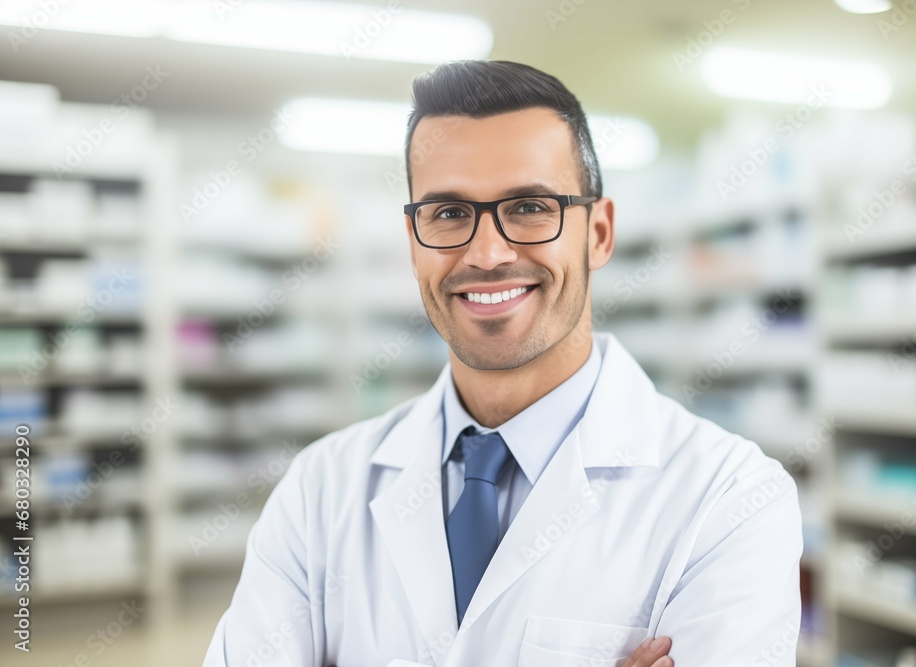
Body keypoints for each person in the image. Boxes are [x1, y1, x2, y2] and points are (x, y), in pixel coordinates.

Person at [202, 59, 802, 667]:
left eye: (530, 207)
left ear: (598, 232)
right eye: (448, 213)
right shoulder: (320, 490)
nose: (487, 254)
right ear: (414, 244)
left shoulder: (730, 501)